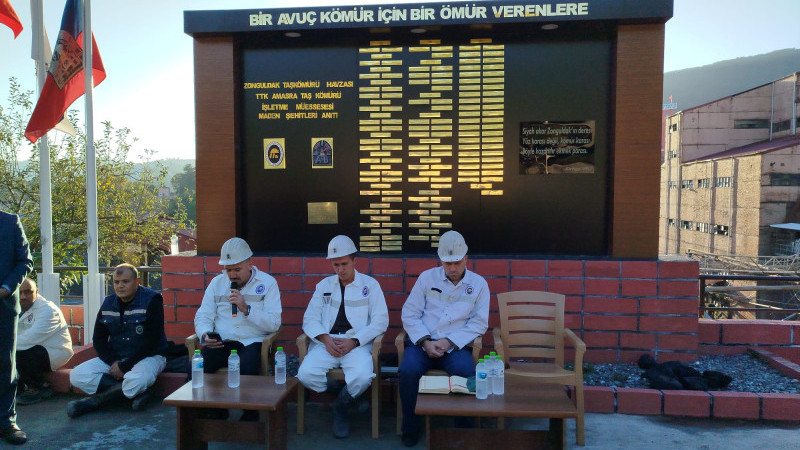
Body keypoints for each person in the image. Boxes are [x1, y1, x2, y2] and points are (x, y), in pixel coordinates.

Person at [398, 230, 490, 446]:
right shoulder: (426, 278)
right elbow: (409, 314)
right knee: (408, 371)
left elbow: (479, 323)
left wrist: (449, 342)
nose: (453, 268)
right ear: (440, 260)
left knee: (467, 373)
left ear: (466, 258)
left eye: (457, 262)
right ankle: (411, 429)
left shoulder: (478, 285)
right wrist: (425, 341)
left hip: (455, 347)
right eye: (447, 263)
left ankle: (464, 433)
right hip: (423, 344)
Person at [296, 235, 388, 438]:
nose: (340, 269)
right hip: (326, 343)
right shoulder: (324, 286)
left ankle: (340, 408)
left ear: (355, 261)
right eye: (336, 264)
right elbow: (309, 318)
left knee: (363, 376)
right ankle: (345, 398)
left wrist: (355, 341)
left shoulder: (370, 285)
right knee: (305, 375)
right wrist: (325, 339)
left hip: (357, 343)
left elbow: (381, 321)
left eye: (344, 263)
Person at [67, 263, 168, 417]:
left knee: (138, 380)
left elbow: (152, 342)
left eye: (125, 282)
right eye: (116, 282)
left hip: (149, 357)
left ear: (137, 281)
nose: (120, 286)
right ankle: (137, 394)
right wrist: (114, 362)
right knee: (77, 375)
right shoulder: (108, 303)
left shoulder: (152, 300)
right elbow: (99, 339)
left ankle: (94, 402)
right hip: (118, 358)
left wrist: (125, 366)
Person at [194, 237, 281, 376]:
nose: (232, 275)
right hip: (222, 342)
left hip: (252, 342)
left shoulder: (268, 283)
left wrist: (247, 309)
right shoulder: (217, 283)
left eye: (237, 269)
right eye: (228, 270)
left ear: (249, 263)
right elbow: (203, 315)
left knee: (248, 369)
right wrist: (205, 334)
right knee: (196, 367)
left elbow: (274, 324)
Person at [0, 210, 33, 445]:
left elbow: (25, 260)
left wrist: (5, 288)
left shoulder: (10, 221)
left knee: (5, 364)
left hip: (3, 306)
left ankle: (7, 421)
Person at [16, 278, 73, 405]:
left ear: (36, 291)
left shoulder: (48, 310)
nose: (23, 296)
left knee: (22, 351)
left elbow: (29, 339)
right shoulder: (15, 307)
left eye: (28, 292)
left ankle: (39, 387)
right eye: (19, 293)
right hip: (32, 347)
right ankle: (18, 387)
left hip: (55, 351)